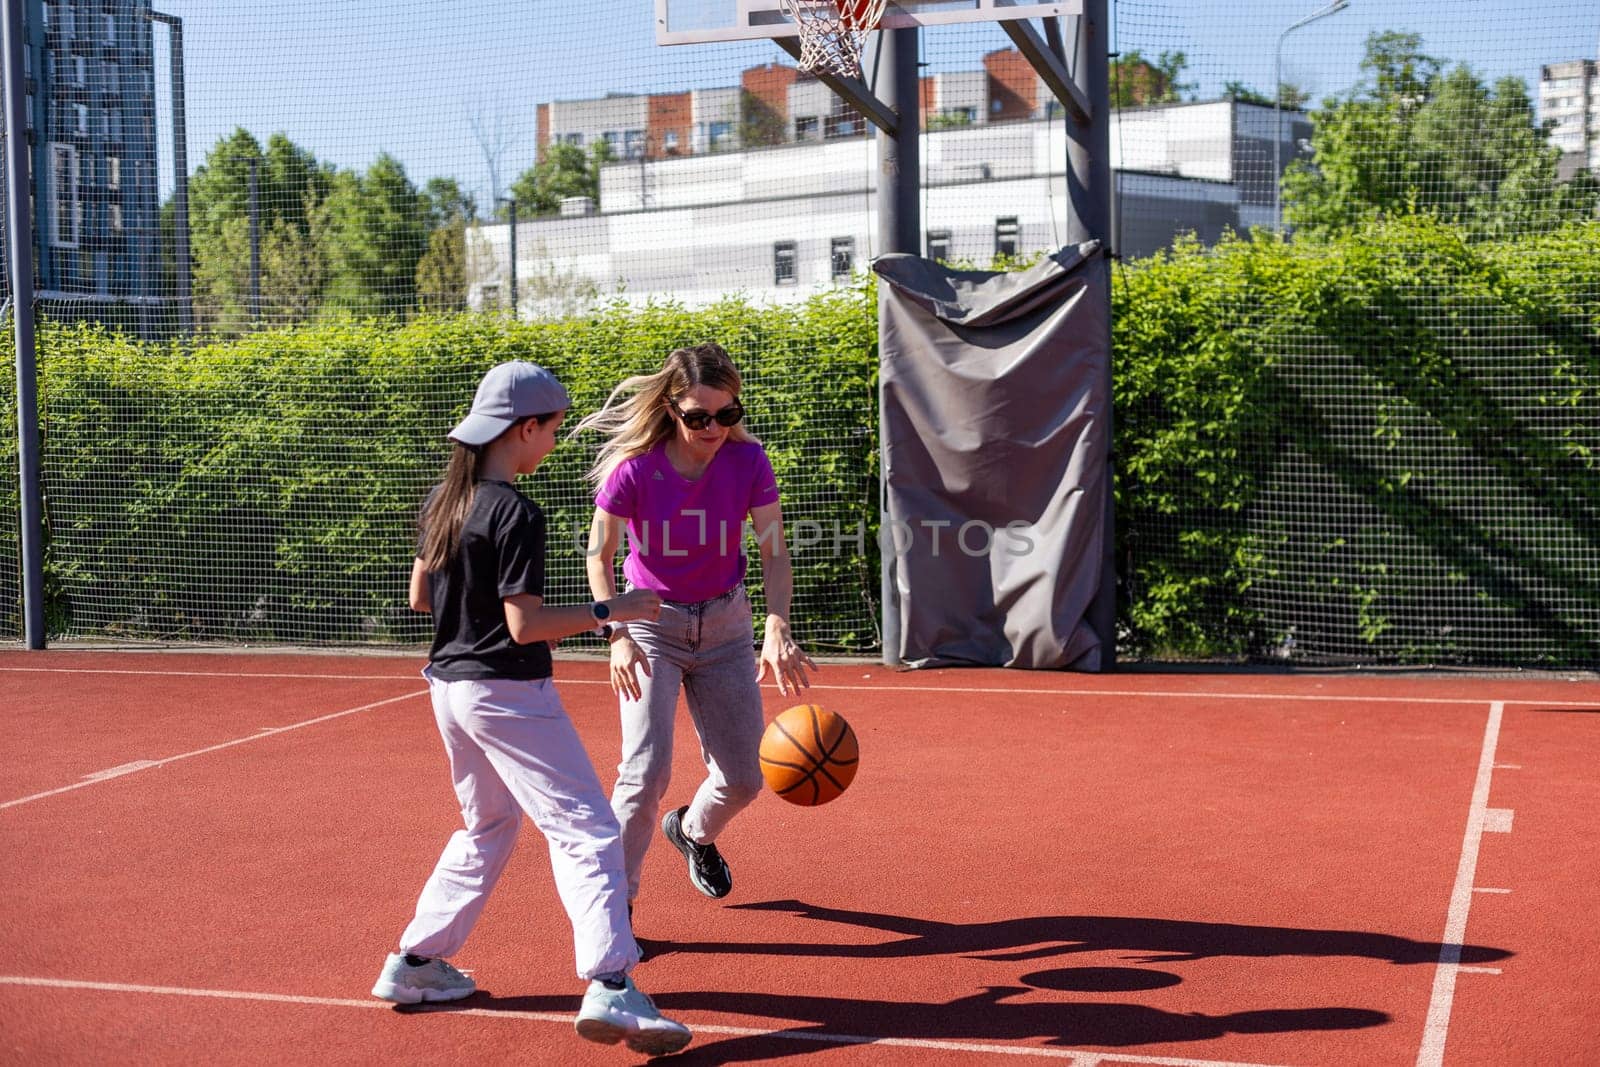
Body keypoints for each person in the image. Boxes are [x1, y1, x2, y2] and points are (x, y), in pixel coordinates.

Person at [371, 360, 691, 1057]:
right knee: (587, 827)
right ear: (524, 428)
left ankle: (416, 962)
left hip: (448, 689)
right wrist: (616, 611)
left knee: (488, 824)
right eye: (550, 430)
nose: (552, 444)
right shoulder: (515, 511)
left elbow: (420, 598)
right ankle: (611, 982)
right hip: (506, 689)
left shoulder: (444, 501)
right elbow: (525, 624)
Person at [577, 342, 816, 911]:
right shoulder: (635, 470)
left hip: (727, 627)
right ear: (670, 410)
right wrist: (617, 634)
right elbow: (598, 553)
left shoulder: (748, 462)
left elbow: (774, 550)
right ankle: (614, 907)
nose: (714, 427)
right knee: (643, 773)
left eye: (726, 414)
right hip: (650, 626)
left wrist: (777, 623)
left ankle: (692, 832)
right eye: (699, 417)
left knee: (745, 778)